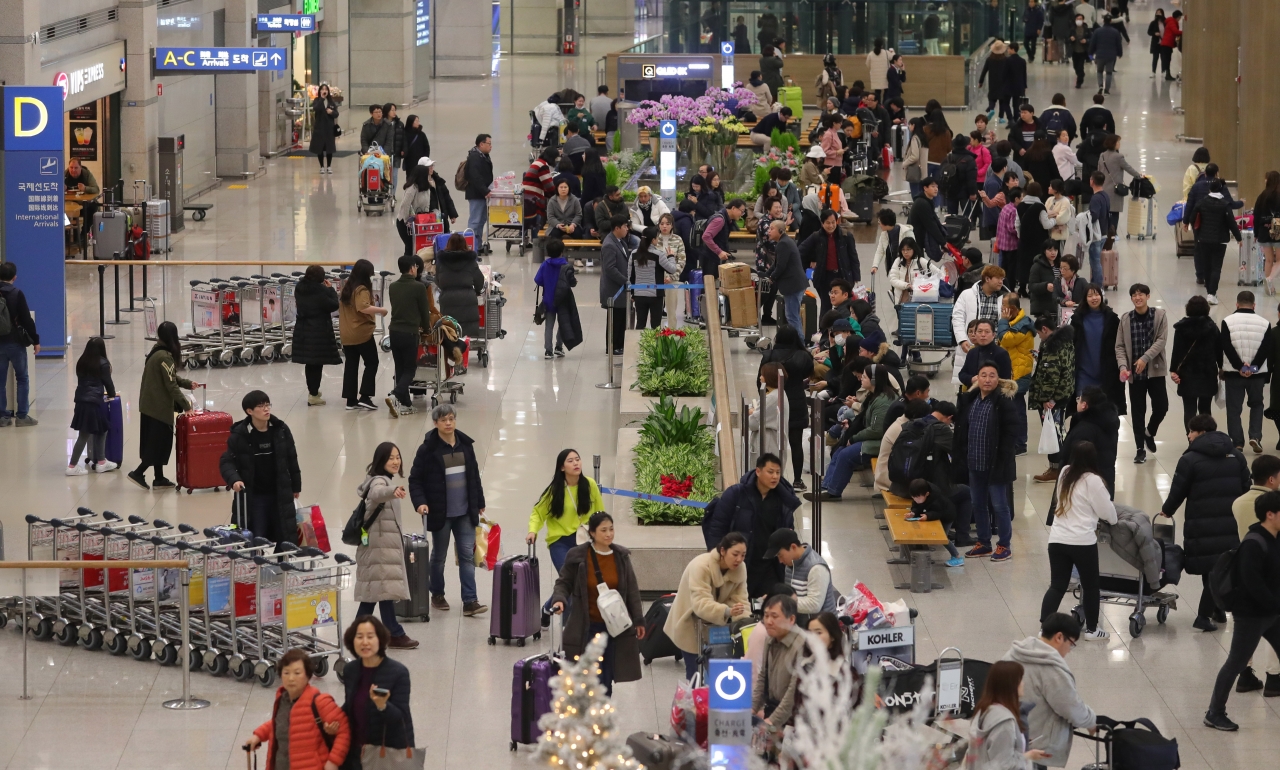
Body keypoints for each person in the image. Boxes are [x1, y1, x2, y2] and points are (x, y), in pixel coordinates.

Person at [1163, 413, 1250, 632]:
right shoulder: (1236, 456)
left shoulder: (1189, 459)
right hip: (1229, 521)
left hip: (1201, 521)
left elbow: (1178, 489)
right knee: (1214, 565)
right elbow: (1246, 487)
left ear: (1201, 433)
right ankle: (1217, 609)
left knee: (1212, 568)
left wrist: (1167, 510)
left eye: (1191, 431)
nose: (1188, 435)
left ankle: (1202, 616)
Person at [1203, 490, 1280, 731]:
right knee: (1236, 662)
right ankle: (1214, 713)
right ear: (1270, 515)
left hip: (1271, 613)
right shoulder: (1253, 543)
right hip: (1251, 615)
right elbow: (1251, 583)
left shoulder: (1275, 537)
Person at [549, 512, 645, 697]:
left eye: (611, 529)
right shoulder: (578, 556)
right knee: (590, 674)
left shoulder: (621, 557)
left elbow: (632, 591)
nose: (609, 534)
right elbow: (564, 582)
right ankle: (590, 713)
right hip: (586, 626)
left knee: (606, 675)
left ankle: (602, 714)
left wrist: (639, 620)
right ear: (592, 533)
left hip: (613, 628)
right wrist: (559, 599)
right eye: (603, 530)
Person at [408, 404, 488, 616]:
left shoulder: (465, 446)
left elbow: (474, 476)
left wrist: (479, 501)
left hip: (464, 513)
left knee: (467, 557)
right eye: (443, 420)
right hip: (440, 513)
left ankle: (470, 601)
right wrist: (420, 503)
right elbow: (415, 480)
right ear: (435, 423)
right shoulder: (427, 449)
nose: (448, 423)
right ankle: (437, 594)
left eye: (451, 419)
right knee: (439, 556)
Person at [1040, 441, 1118, 641]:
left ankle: (1045, 629)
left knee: (1057, 585)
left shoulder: (1065, 472)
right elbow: (1107, 512)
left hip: (1057, 539)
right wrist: (1113, 518)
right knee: (1091, 585)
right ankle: (1093, 630)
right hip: (1082, 542)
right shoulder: (1093, 480)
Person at [1002, 613, 1096, 767]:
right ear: (1059, 637)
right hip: (1032, 745)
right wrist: (1091, 722)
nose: (1070, 650)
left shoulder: (1013, 654)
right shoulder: (1051, 669)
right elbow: (1071, 707)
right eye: (1071, 643)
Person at [701, 454, 800, 598]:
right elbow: (718, 527)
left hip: (769, 565)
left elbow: (786, 531)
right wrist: (717, 558)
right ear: (758, 472)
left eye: (778, 472)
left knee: (770, 607)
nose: (775, 477)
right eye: (770, 472)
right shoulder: (736, 494)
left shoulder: (782, 500)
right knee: (738, 608)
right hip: (742, 563)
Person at [352, 443, 419, 650]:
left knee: (381, 591)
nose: (395, 461)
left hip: (382, 547)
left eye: (397, 457)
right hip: (379, 549)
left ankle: (391, 633)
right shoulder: (379, 482)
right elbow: (378, 493)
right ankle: (390, 633)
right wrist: (393, 490)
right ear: (381, 460)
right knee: (378, 592)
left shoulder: (382, 480)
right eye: (390, 458)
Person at [528, 448, 603, 619]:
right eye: (570, 461)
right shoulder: (555, 490)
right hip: (560, 542)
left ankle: (547, 609)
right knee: (571, 581)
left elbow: (600, 513)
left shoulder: (590, 485)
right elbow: (538, 513)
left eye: (578, 459)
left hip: (584, 541)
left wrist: (603, 536)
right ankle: (568, 629)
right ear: (562, 467)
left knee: (579, 583)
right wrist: (533, 531)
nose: (576, 463)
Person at [956, 362, 1020, 562]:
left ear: (998, 380)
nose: (987, 379)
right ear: (977, 378)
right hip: (975, 462)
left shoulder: (1004, 402)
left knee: (1000, 505)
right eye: (983, 375)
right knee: (978, 503)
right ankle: (983, 542)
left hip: (996, 465)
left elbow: (1011, 435)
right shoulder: (971, 399)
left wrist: (1003, 459)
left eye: (992, 375)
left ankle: (1004, 545)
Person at [220, 390, 301, 544]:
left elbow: (292, 459)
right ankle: (256, 565)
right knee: (256, 535)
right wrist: (234, 480)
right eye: (261, 406)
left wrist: (296, 486)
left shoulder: (281, 430)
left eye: (267, 404)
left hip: (280, 492)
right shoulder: (239, 436)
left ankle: (282, 564)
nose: (266, 409)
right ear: (249, 411)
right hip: (254, 496)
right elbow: (226, 462)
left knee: (284, 533)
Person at [247, 648, 350, 770]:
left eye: (297, 673)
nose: (291, 678)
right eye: (286, 673)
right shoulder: (282, 699)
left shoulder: (320, 702)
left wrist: (333, 761)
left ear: (308, 675)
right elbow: (282, 722)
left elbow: (344, 730)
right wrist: (258, 735)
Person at [666, 533, 751, 680]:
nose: (739, 559)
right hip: (690, 623)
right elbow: (700, 603)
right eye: (735, 554)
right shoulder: (700, 566)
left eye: (743, 555)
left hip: (719, 628)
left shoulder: (740, 569)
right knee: (695, 675)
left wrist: (745, 624)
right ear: (722, 551)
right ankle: (695, 701)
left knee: (719, 676)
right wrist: (727, 610)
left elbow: (741, 599)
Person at [812, 364, 895, 502]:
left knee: (846, 455)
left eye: (864, 377)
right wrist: (850, 425)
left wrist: (855, 437)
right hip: (877, 437)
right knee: (840, 449)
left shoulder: (883, 401)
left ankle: (833, 492)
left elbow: (876, 430)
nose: (861, 379)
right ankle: (827, 486)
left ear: (874, 380)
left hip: (882, 442)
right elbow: (865, 419)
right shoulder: (875, 395)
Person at [127, 321, 194, 490]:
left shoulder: (156, 350)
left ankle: (159, 478)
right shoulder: (165, 356)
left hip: (149, 405)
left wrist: (187, 383)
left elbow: (169, 377)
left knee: (157, 442)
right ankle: (138, 472)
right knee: (157, 444)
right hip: (158, 408)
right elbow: (170, 385)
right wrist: (187, 406)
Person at [341, 617, 415, 768]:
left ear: (380, 639)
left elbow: (401, 718)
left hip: (386, 755)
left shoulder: (398, 673)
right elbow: (350, 706)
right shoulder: (351, 670)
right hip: (355, 752)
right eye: (359, 637)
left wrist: (383, 706)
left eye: (370, 636)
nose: (365, 642)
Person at [1114, 284, 1168, 464]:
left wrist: (1145, 358)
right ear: (1131, 298)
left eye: (1141, 294)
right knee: (1138, 412)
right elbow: (1120, 346)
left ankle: (1149, 432)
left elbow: (1161, 340)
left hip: (1155, 371)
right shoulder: (1126, 319)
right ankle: (1139, 449)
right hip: (1135, 374)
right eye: (1134, 295)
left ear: (1148, 296)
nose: (1138, 298)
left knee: (1161, 406)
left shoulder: (1159, 316)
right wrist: (1123, 366)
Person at [759, 326, 815, 488]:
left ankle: (771, 479)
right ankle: (797, 480)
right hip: (796, 401)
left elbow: (760, 381)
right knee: (796, 443)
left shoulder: (768, 355)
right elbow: (808, 374)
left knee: (772, 444)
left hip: (772, 404)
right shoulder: (803, 356)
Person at [968, 660, 1051, 769]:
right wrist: (1028, 756)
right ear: (1011, 685)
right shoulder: (1004, 722)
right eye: (1020, 680)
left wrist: (1017, 740)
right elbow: (1004, 764)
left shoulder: (984, 709)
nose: (1023, 684)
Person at [1220, 291, 1272, 452]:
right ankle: (1255, 436)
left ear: (1237, 304)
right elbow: (1265, 349)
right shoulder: (1265, 323)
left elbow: (1226, 347)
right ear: (1254, 305)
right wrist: (1253, 367)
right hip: (1257, 374)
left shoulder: (1227, 321)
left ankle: (1237, 442)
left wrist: (1240, 366)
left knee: (1234, 409)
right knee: (1257, 405)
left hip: (1234, 374)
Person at [385, 255, 433, 418]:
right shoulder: (418, 287)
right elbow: (423, 312)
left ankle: (405, 404)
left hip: (394, 331)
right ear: (413, 268)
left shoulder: (393, 287)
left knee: (400, 368)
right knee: (410, 368)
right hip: (409, 332)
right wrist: (426, 329)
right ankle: (395, 394)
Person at [336, 260, 385, 412]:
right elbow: (363, 307)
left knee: (351, 365)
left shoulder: (347, 288)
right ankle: (365, 396)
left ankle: (350, 400)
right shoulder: (361, 289)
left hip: (347, 333)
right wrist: (381, 310)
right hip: (361, 333)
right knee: (372, 362)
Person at [1166, 295, 1220, 432]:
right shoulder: (1212, 327)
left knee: (1189, 410)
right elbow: (1219, 350)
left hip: (1187, 374)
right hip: (1207, 373)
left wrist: (1174, 370)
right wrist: (1221, 368)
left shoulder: (1181, 328)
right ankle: (1206, 439)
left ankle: (1192, 439)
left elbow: (1177, 351)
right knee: (1205, 409)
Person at [753, 593, 805, 733]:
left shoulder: (803, 646)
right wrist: (751, 708)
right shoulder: (770, 640)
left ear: (791, 619)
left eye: (774, 616)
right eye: (766, 615)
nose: (768, 621)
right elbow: (763, 678)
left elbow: (793, 692)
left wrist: (772, 722)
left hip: (795, 719)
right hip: (772, 708)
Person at [291, 266, 342, 407]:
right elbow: (333, 305)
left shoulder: (300, 288)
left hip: (303, 328)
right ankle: (313, 395)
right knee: (316, 363)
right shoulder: (320, 291)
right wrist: (331, 289)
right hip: (317, 330)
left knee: (310, 363)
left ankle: (312, 391)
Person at [66, 337, 117, 476]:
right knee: (84, 434)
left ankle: (101, 462)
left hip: (81, 400)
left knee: (102, 428)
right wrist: (112, 394)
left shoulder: (81, 362)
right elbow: (108, 382)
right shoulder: (103, 363)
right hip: (93, 402)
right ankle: (72, 466)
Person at [1070, 285, 1123, 412]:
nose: (1094, 298)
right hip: (1084, 373)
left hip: (1105, 374)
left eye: (1096, 294)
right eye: (1090, 295)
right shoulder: (1077, 319)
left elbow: (1120, 345)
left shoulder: (1112, 319)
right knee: (1083, 411)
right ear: (1085, 298)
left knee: (1102, 412)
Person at [765, 528, 837, 620]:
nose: (780, 561)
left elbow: (814, 604)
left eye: (780, 555)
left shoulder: (816, 567)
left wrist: (781, 602)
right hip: (799, 623)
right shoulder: (791, 563)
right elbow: (790, 595)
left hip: (822, 627)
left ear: (793, 547)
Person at [1191, 180, 1245, 304]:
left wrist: (1198, 234)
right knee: (1216, 267)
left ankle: (1209, 290)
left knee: (1206, 266)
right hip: (1220, 241)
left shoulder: (1201, 202)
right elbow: (1231, 222)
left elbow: (1192, 218)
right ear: (1221, 190)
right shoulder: (1225, 204)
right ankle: (1212, 293)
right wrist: (1239, 238)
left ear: (1209, 189)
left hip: (1203, 239)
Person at [952, 265, 1008, 383]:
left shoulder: (1005, 298)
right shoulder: (967, 295)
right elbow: (957, 318)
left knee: (991, 381)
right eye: (998, 278)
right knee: (968, 381)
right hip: (971, 346)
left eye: (1002, 279)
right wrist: (962, 339)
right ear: (987, 279)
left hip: (995, 348)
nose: (1001, 282)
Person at [0, 262, 39, 427]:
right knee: (22, 378)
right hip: (15, 342)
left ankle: (3, 416)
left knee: (0, 381)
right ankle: (22, 416)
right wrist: (35, 340)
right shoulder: (17, 294)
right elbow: (26, 320)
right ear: (14, 277)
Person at [435, 233, 485, 345]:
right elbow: (479, 282)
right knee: (466, 330)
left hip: (447, 300)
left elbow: (438, 281)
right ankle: (465, 348)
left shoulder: (441, 262)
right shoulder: (471, 262)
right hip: (467, 300)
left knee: (450, 329)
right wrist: (476, 291)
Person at [905, 478, 965, 566]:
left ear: (927, 494)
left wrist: (928, 516)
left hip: (947, 516)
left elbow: (938, 512)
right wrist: (913, 512)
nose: (915, 499)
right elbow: (916, 505)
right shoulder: (920, 494)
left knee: (943, 538)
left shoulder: (936, 498)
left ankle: (956, 556)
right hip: (935, 513)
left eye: (917, 497)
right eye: (913, 497)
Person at [632, 227, 681, 329]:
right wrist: (671, 256)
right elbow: (672, 269)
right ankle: (654, 345)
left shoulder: (634, 254)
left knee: (640, 323)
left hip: (638, 294)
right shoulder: (659, 255)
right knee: (656, 326)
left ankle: (638, 344)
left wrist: (632, 292)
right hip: (655, 295)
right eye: (657, 238)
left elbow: (630, 274)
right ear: (653, 240)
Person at [600, 215, 635, 354]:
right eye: (625, 226)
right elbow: (610, 268)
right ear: (617, 228)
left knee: (621, 318)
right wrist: (625, 281)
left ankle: (620, 344)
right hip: (614, 289)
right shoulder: (609, 244)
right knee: (615, 319)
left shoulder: (621, 242)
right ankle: (612, 346)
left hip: (621, 289)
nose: (627, 229)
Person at [764, 221, 806, 332]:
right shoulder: (784, 242)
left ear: (780, 231)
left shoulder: (783, 244)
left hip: (793, 285)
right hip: (795, 284)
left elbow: (781, 267)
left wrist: (771, 278)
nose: (769, 231)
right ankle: (797, 344)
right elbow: (776, 264)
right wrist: (766, 274)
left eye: (772, 229)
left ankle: (798, 345)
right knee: (792, 316)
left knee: (792, 317)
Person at [958, 318, 1013, 388]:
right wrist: (971, 379)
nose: (983, 335)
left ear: (993, 335)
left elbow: (1006, 381)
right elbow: (962, 374)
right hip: (973, 395)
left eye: (987, 332)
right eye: (980, 331)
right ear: (975, 333)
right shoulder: (972, 352)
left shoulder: (1001, 354)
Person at [701, 199, 748, 280]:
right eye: (742, 211)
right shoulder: (719, 220)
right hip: (710, 259)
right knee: (709, 287)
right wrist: (719, 251)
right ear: (733, 208)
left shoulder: (727, 219)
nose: (742, 214)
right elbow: (706, 236)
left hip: (714, 258)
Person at [464, 133, 494, 254]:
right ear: (481, 144)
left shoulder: (484, 155)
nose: (491, 146)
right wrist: (485, 190)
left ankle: (478, 245)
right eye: (489, 143)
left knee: (481, 220)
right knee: (475, 221)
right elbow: (475, 177)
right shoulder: (475, 157)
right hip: (477, 194)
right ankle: (471, 247)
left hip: (482, 193)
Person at [907, 177, 950, 261]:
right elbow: (931, 225)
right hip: (915, 239)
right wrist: (943, 242)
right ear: (925, 188)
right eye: (933, 186)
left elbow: (934, 221)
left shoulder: (926, 201)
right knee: (917, 263)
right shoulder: (922, 203)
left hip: (917, 237)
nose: (936, 189)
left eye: (937, 187)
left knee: (920, 263)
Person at [523, 148, 558, 247]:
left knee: (528, 219)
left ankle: (527, 240)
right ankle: (536, 243)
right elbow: (549, 186)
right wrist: (558, 196)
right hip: (533, 197)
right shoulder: (542, 166)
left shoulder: (538, 162)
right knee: (536, 220)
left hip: (527, 196)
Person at [65, 158, 101, 252]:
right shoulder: (65, 175)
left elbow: (96, 189)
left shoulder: (86, 174)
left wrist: (85, 188)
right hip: (68, 204)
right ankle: (66, 235)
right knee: (61, 211)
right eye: (71, 167)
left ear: (80, 167)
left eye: (76, 168)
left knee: (92, 207)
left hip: (83, 204)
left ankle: (83, 234)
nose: (73, 170)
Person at [1254, 172, 1280, 294]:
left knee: (1268, 260)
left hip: (1263, 230)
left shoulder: (1261, 196)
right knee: (1279, 260)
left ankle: (1270, 289)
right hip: (1278, 231)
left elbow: (1256, 215)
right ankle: (1269, 279)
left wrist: (1255, 233)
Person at [1088, 13, 1124, 94]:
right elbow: (1118, 43)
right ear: (1111, 21)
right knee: (1109, 73)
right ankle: (1107, 90)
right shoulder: (1115, 32)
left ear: (1103, 21)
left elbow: (1092, 43)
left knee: (1099, 71)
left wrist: (1090, 54)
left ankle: (1100, 86)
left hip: (1100, 55)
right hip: (1111, 56)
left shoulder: (1097, 31)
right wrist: (1120, 53)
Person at [309, 83, 339, 173]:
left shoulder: (331, 102)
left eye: (326, 89)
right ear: (320, 91)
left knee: (329, 148)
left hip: (329, 128)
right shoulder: (317, 100)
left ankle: (329, 166)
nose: (324, 91)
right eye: (322, 89)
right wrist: (321, 98)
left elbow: (336, 114)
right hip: (319, 128)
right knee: (320, 148)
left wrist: (331, 112)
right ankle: (321, 166)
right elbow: (316, 108)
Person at [380, 104, 404, 195]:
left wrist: (403, 149)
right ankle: (384, 192)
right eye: (392, 110)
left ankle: (392, 194)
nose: (394, 112)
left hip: (396, 153)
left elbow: (403, 138)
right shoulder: (382, 124)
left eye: (395, 110)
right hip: (385, 154)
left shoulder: (399, 124)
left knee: (394, 175)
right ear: (387, 111)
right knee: (384, 174)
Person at [903, 119, 929, 199]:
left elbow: (914, 156)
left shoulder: (915, 138)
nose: (909, 126)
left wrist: (905, 163)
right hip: (923, 171)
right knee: (922, 194)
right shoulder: (923, 138)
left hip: (915, 171)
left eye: (910, 124)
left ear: (913, 125)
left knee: (915, 195)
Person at [401, 115, 430, 180]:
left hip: (420, 162)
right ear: (411, 122)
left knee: (420, 179)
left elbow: (426, 147)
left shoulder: (421, 134)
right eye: (416, 121)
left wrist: (426, 159)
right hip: (409, 162)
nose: (418, 123)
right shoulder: (405, 133)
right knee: (410, 178)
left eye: (418, 121)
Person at [1068, 12, 1092, 88]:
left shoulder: (1086, 29)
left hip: (1083, 51)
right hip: (1074, 51)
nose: (1079, 20)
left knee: (1080, 66)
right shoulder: (1072, 29)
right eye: (1077, 19)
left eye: (1080, 19)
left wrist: (1086, 40)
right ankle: (1080, 74)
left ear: (1083, 20)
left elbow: (1091, 38)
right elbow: (1067, 38)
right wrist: (1071, 39)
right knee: (1075, 66)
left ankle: (1079, 82)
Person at [1159, 10, 1182, 80]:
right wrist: (1185, 32)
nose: (1180, 19)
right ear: (1177, 17)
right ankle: (1167, 74)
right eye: (1179, 17)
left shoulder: (1170, 21)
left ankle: (1167, 74)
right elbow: (1176, 32)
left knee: (1167, 59)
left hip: (1166, 43)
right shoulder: (1172, 22)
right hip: (1167, 43)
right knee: (1167, 59)